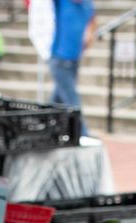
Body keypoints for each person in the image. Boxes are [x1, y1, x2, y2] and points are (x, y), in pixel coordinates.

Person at [49, 0, 94, 135]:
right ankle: (83, 133)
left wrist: (90, 34)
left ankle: (45, 126)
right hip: (59, 58)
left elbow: (92, 20)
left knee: (57, 100)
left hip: (75, 58)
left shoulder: (87, 4)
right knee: (71, 99)